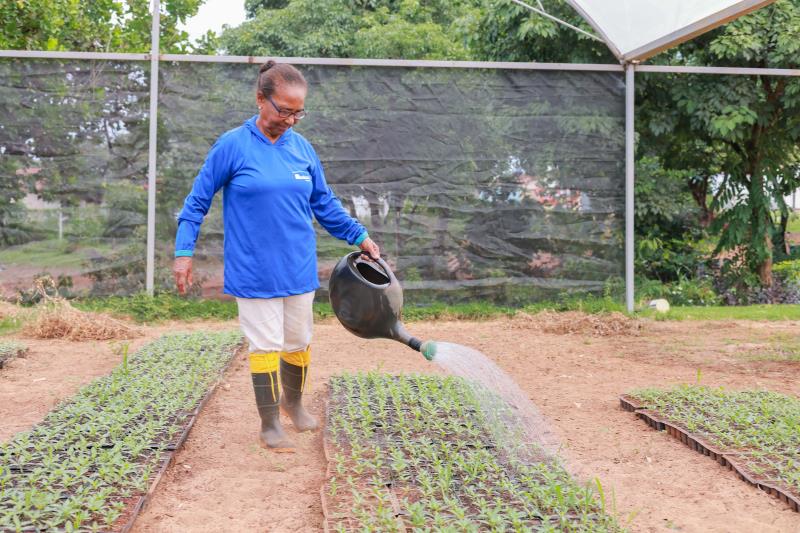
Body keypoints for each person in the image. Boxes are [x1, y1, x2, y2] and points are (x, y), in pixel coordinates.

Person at [173, 60, 380, 449]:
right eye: (283, 110)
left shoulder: (302, 149)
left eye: (298, 112)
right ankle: (269, 422)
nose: (290, 119)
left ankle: (294, 404)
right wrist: (184, 253)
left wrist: (359, 235)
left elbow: (325, 203)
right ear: (260, 99)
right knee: (265, 344)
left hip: (297, 266)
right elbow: (196, 202)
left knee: (298, 339)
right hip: (253, 269)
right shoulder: (232, 146)